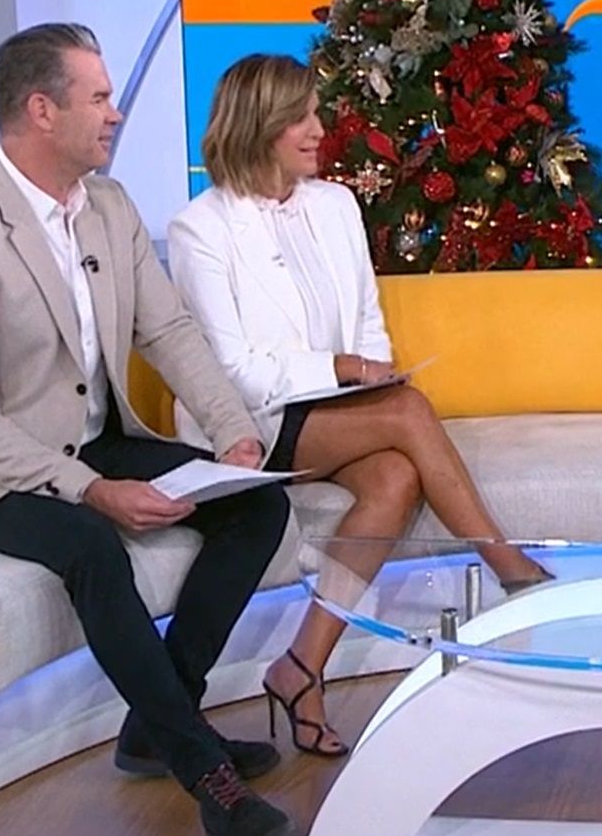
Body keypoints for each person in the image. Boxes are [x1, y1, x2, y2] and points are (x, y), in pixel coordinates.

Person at [0, 23, 294, 836]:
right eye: (99, 97)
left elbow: (170, 331)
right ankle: (206, 773)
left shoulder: (108, 208)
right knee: (91, 544)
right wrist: (92, 489)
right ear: (41, 110)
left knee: (256, 507)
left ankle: (158, 724)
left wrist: (232, 432)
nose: (115, 114)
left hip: (95, 440)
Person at [167, 53, 551, 757]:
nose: (321, 130)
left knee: (396, 475)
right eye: (302, 118)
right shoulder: (202, 228)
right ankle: (514, 570)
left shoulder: (335, 204)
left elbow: (367, 321)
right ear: (259, 127)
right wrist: (342, 370)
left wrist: (369, 374)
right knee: (408, 414)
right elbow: (234, 369)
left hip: (335, 408)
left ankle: (300, 666)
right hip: (251, 422)